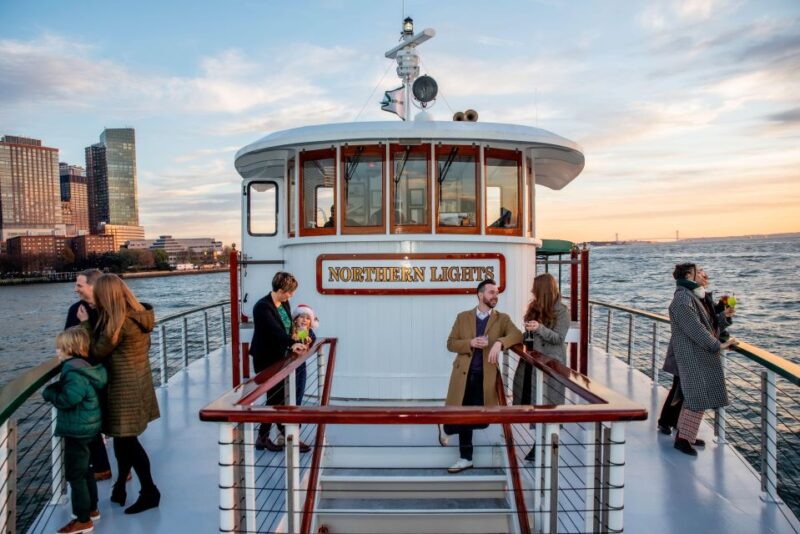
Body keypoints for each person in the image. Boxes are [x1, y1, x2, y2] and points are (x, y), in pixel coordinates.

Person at [82, 274, 161, 513]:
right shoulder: (137, 317)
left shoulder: (118, 323)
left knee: (129, 442)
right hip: (138, 385)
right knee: (122, 439)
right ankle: (119, 486)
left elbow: (96, 352)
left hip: (123, 390)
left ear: (107, 297)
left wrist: (87, 323)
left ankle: (150, 492)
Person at [439, 279, 523, 473]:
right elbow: (451, 343)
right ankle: (465, 457)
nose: (495, 296)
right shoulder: (463, 317)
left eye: (497, 293)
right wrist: (470, 343)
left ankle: (447, 429)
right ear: (480, 295)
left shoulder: (502, 319)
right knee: (463, 415)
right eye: (492, 292)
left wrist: (500, 343)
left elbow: (517, 335)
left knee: (482, 419)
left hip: (485, 377)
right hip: (463, 375)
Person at [666, 263, 738, 456]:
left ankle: (685, 436)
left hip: (697, 355)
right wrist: (718, 345)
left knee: (695, 399)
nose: (704, 274)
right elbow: (696, 329)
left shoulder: (692, 296)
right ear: (690, 275)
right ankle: (682, 440)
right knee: (696, 399)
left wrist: (725, 317)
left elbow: (708, 323)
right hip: (692, 356)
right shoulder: (682, 298)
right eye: (699, 271)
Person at [43, 327, 107, 534]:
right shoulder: (83, 366)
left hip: (78, 430)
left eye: (59, 348)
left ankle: (83, 519)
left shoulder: (73, 372)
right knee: (86, 470)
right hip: (88, 426)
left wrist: (50, 392)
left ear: (69, 349)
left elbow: (68, 399)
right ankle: (92, 509)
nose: (57, 352)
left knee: (75, 474)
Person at [249, 272, 309, 452]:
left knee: (279, 398)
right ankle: (266, 437)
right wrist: (293, 344)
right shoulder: (262, 307)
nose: (291, 296)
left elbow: (289, 327)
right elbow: (275, 332)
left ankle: (281, 435)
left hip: (281, 357)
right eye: (289, 292)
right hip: (267, 358)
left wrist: (302, 337)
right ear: (281, 290)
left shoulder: (284, 303)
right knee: (275, 398)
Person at [65, 269, 115, 482]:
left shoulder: (110, 310)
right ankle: (103, 466)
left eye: (79, 285)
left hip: (106, 374)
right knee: (92, 423)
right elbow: (69, 341)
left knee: (112, 422)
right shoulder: (75, 309)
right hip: (87, 375)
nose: (75, 289)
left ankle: (120, 470)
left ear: (93, 286)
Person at [513, 273, 571, 405]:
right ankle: (531, 424)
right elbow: (530, 335)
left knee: (545, 400)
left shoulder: (562, 312)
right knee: (526, 396)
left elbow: (558, 338)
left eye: (535, 288)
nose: (532, 291)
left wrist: (539, 328)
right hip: (530, 358)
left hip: (549, 362)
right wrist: (526, 333)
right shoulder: (534, 307)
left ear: (543, 290)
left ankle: (548, 425)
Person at [291, 304, 318, 406]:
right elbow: (295, 340)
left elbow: (310, 340)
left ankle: (297, 418)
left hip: (301, 365)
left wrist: (307, 337)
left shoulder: (307, 332)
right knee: (291, 391)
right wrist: (299, 335)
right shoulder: (290, 331)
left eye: (307, 318)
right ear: (295, 319)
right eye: (301, 317)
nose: (304, 320)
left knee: (300, 390)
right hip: (290, 365)